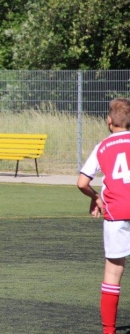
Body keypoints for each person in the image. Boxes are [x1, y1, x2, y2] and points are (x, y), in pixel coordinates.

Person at [77, 98, 130, 334]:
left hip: (116, 212)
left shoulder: (102, 146)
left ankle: (108, 330)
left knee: (113, 271)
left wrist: (96, 198)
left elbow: (82, 182)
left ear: (109, 122)